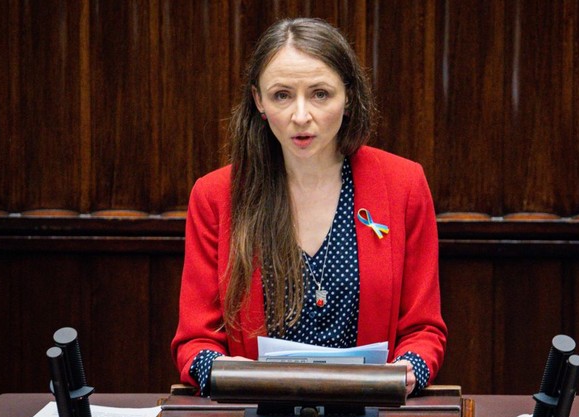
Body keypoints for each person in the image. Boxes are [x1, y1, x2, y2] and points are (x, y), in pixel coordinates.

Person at [171, 17, 447, 397]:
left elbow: (423, 330)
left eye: (320, 94)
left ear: (348, 97)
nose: (301, 116)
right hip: (255, 412)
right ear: (259, 101)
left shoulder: (403, 185)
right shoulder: (215, 195)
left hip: (372, 412)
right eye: (282, 95)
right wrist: (218, 372)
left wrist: (409, 369)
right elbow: (195, 341)